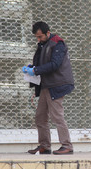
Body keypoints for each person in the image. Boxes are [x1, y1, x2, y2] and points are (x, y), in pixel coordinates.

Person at [22, 21, 74, 155]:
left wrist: (36, 70)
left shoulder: (58, 43)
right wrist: (31, 68)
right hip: (46, 85)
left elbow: (55, 64)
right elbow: (41, 63)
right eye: (36, 37)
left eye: (40, 36)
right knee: (40, 117)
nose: (38, 39)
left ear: (48, 33)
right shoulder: (43, 45)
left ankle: (67, 145)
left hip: (57, 84)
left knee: (57, 116)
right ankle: (44, 146)